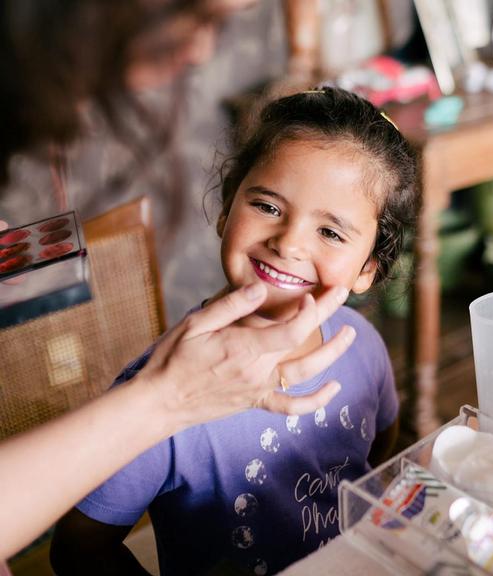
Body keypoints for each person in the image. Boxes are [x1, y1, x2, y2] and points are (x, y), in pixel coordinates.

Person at [0, 0, 358, 563]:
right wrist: (165, 399)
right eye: (194, 14)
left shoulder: (363, 351)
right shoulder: (156, 394)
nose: (201, 50)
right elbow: (78, 551)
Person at [51, 87, 418, 576]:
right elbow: (78, 548)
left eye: (330, 232)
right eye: (267, 206)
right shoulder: (164, 388)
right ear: (227, 209)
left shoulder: (362, 344)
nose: (288, 243)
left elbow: (377, 447)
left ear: (367, 269)